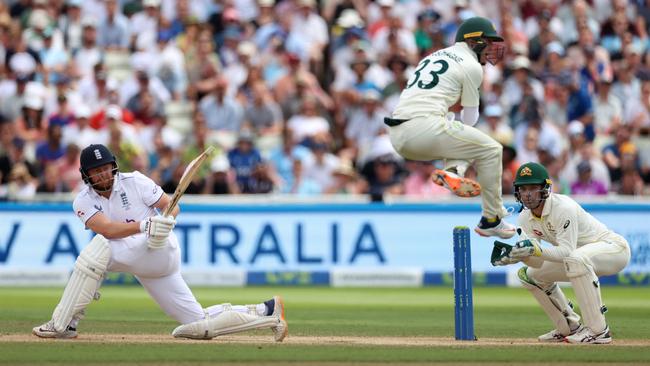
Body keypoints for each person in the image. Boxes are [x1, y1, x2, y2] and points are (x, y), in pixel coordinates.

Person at [32, 144, 287, 341]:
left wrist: (165, 223)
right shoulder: (82, 200)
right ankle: (266, 312)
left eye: (105, 168)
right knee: (197, 323)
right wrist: (143, 225)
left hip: (159, 248)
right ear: (86, 175)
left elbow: (171, 207)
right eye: (96, 171)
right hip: (143, 261)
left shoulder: (135, 181)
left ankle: (63, 323)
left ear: (113, 166)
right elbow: (107, 229)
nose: (103, 175)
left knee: (98, 251)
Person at [385, 16, 515, 239]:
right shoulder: (472, 66)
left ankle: (453, 171)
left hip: (398, 134)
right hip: (423, 128)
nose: (492, 49)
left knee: (458, 130)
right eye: (489, 42)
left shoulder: (433, 56)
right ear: (474, 41)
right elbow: (471, 119)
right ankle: (491, 219)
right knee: (492, 149)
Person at [493, 162, 630, 344]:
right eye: (523, 188)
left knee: (575, 258)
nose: (527, 193)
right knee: (529, 275)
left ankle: (598, 331)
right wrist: (516, 256)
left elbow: (566, 251)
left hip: (613, 249)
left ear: (545, 189)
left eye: (533, 188)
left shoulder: (563, 207)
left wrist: (536, 250)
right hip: (579, 259)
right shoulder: (524, 218)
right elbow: (536, 263)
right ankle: (569, 326)